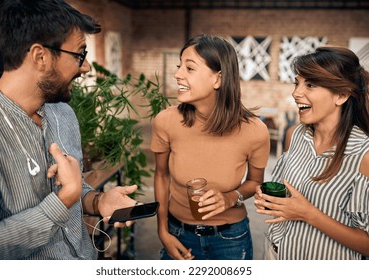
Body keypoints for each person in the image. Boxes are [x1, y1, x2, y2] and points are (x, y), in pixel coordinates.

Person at [0, 0, 137, 260]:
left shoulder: (63, 113)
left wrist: (97, 201)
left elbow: (76, 186)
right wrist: (64, 200)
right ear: (40, 56)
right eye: (79, 55)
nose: (85, 67)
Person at [150, 34, 270, 260]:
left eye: (190, 68)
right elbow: (161, 175)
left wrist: (230, 198)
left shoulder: (255, 130)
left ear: (218, 79)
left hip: (230, 240)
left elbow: (256, 182)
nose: (177, 74)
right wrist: (163, 230)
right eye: (179, 66)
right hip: (178, 234)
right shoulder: (165, 121)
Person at [255, 46, 369, 260]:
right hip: (276, 255)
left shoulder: (364, 155)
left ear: (341, 95)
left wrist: (308, 214)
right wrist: (271, 200)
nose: (296, 93)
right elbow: (287, 194)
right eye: (296, 83)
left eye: (311, 84)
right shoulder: (294, 135)